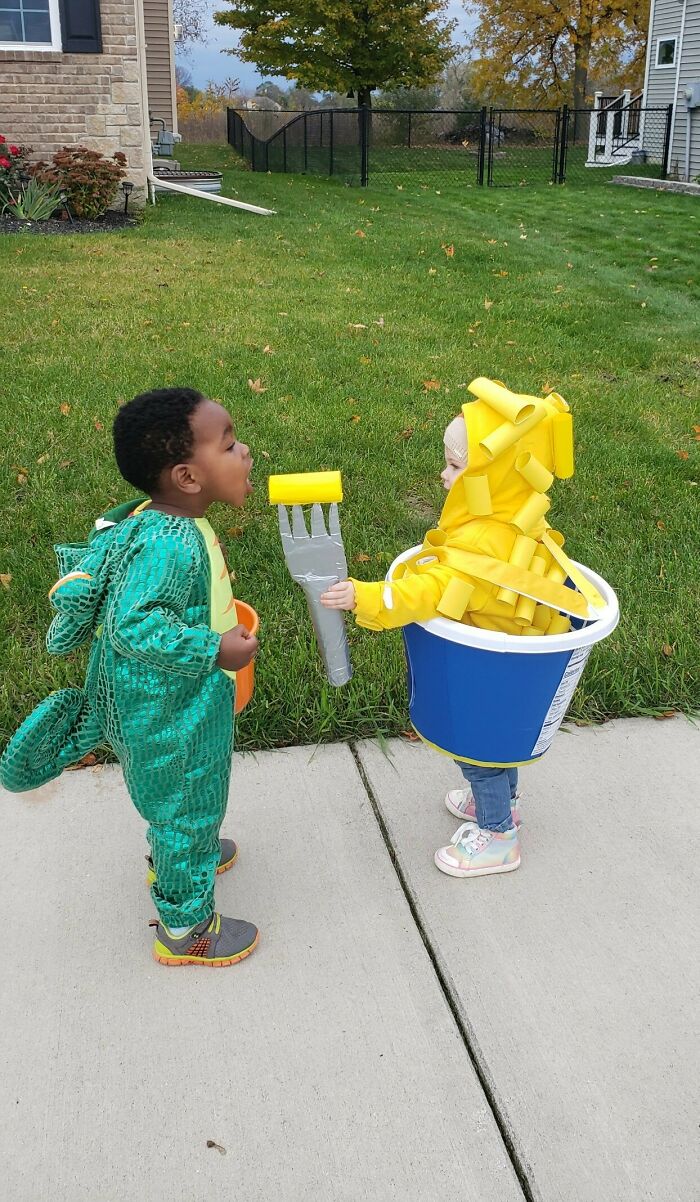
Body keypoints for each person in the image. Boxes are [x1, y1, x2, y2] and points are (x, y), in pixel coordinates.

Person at [0, 388, 260, 967]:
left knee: (186, 797)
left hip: (167, 698)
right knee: (184, 803)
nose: (245, 452)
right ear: (188, 477)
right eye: (229, 445)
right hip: (169, 711)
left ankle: (184, 849)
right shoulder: (172, 546)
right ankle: (186, 928)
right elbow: (132, 625)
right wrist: (214, 647)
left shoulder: (156, 519)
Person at [321, 377, 597, 882]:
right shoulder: (517, 518)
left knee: (478, 752)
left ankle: (498, 836)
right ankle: (504, 803)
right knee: (499, 740)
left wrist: (364, 596)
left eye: (454, 465)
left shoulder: (479, 543)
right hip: (517, 664)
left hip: (481, 667)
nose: (443, 474)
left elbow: (428, 590)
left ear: (492, 473)